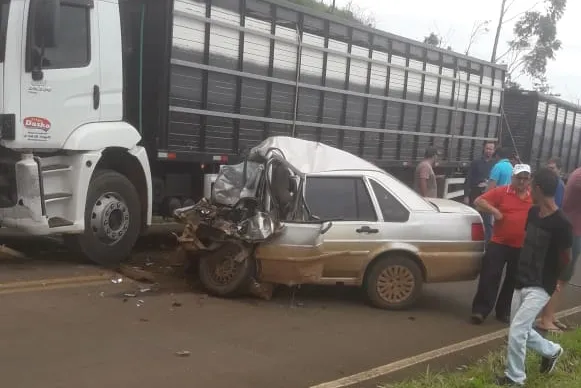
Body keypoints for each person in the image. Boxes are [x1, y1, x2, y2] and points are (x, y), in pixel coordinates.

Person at [495, 167, 572, 386]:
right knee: (522, 329)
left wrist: (557, 280)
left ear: (538, 189)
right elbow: (529, 243)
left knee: (517, 330)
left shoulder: (562, 224)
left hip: (541, 285)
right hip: (522, 279)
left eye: (531, 184)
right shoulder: (532, 213)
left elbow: (565, 257)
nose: (528, 187)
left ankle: (515, 377)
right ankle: (552, 351)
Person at [470, 164, 533, 325]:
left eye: (525, 178)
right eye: (519, 177)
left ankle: (503, 311)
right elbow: (479, 201)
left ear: (529, 180)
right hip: (499, 243)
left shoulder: (533, 197)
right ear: (513, 178)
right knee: (489, 276)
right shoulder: (502, 191)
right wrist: (495, 211)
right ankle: (480, 310)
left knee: (513, 280)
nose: (521, 181)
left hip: (521, 246)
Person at [536, 166, 581, 333]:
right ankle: (545, 318)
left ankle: (550, 315)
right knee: (560, 276)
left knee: (565, 276)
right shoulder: (579, 177)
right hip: (572, 230)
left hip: (576, 230)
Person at [464, 141, 496, 205]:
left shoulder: (495, 164)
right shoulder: (476, 162)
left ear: (494, 150)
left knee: (486, 214)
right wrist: (466, 196)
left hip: (488, 195)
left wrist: (487, 184)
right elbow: (468, 179)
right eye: (487, 148)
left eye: (490, 149)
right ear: (484, 149)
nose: (488, 151)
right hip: (475, 194)